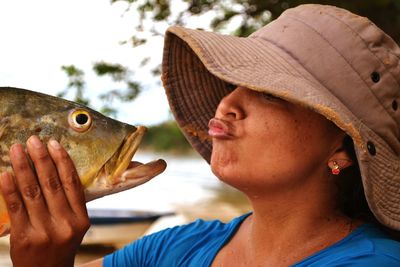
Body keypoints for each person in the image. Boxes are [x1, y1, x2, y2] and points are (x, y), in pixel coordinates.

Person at [1, 3, 400, 266]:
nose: (227, 104)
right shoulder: (170, 248)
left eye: (268, 93)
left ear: (344, 148)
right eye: (231, 84)